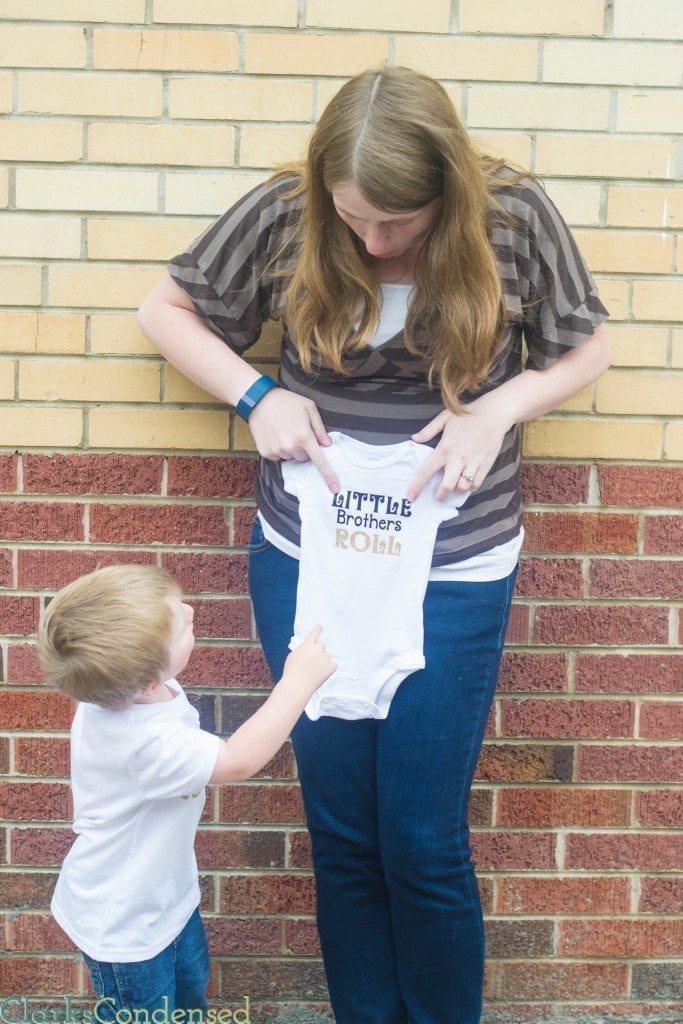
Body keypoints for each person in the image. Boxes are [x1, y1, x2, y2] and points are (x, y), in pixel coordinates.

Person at [137, 66, 610, 1024]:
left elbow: (584, 346)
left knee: (422, 837)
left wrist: (497, 410)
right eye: (354, 217)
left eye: (400, 221)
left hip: (454, 570)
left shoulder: (513, 220)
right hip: (311, 563)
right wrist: (258, 397)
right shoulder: (286, 212)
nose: (374, 240)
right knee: (343, 831)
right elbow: (165, 311)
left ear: (449, 188)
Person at [37, 564, 334, 1017]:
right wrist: (297, 683)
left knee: (190, 997)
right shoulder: (145, 743)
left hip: (165, 897)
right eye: (181, 624)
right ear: (149, 681)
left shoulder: (118, 687)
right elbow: (239, 759)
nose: (192, 612)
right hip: (126, 924)